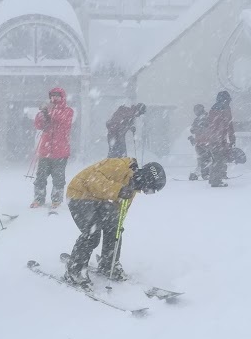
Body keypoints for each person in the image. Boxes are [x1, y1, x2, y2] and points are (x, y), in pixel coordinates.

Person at [64, 158, 166, 286]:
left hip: (99, 199)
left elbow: (120, 210)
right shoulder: (119, 166)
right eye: (150, 189)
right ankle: (75, 271)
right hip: (79, 194)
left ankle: (109, 265)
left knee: (114, 228)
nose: (147, 193)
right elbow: (92, 180)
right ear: (147, 179)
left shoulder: (132, 186)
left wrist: (117, 226)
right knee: (92, 233)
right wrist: (119, 190)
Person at [32, 87, 74, 209]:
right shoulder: (47, 110)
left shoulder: (68, 111)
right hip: (45, 151)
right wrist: (42, 114)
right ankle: (38, 199)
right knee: (40, 177)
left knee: (58, 178)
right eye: (52, 96)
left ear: (62, 97)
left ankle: (56, 199)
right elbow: (38, 125)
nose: (54, 98)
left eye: (57, 96)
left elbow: (62, 120)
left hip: (61, 151)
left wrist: (49, 112)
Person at [202, 90, 235, 187]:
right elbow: (228, 125)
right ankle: (216, 181)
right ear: (226, 100)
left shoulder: (213, 109)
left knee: (216, 159)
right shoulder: (225, 109)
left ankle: (214, 178)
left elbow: (210, 126)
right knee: (219, 159)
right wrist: (231, 139)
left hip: (214, 138)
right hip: (218, 139)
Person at [188, 104, 211, 180]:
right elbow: (192, 130)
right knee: (204, 160)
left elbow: (193, 129)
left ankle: (201, 174)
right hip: (201, 143)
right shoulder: (199, 118)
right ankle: (201, 174)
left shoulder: (206, 118)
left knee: (204, 160)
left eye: (196, 110)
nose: (195, 112)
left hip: (204, 142)